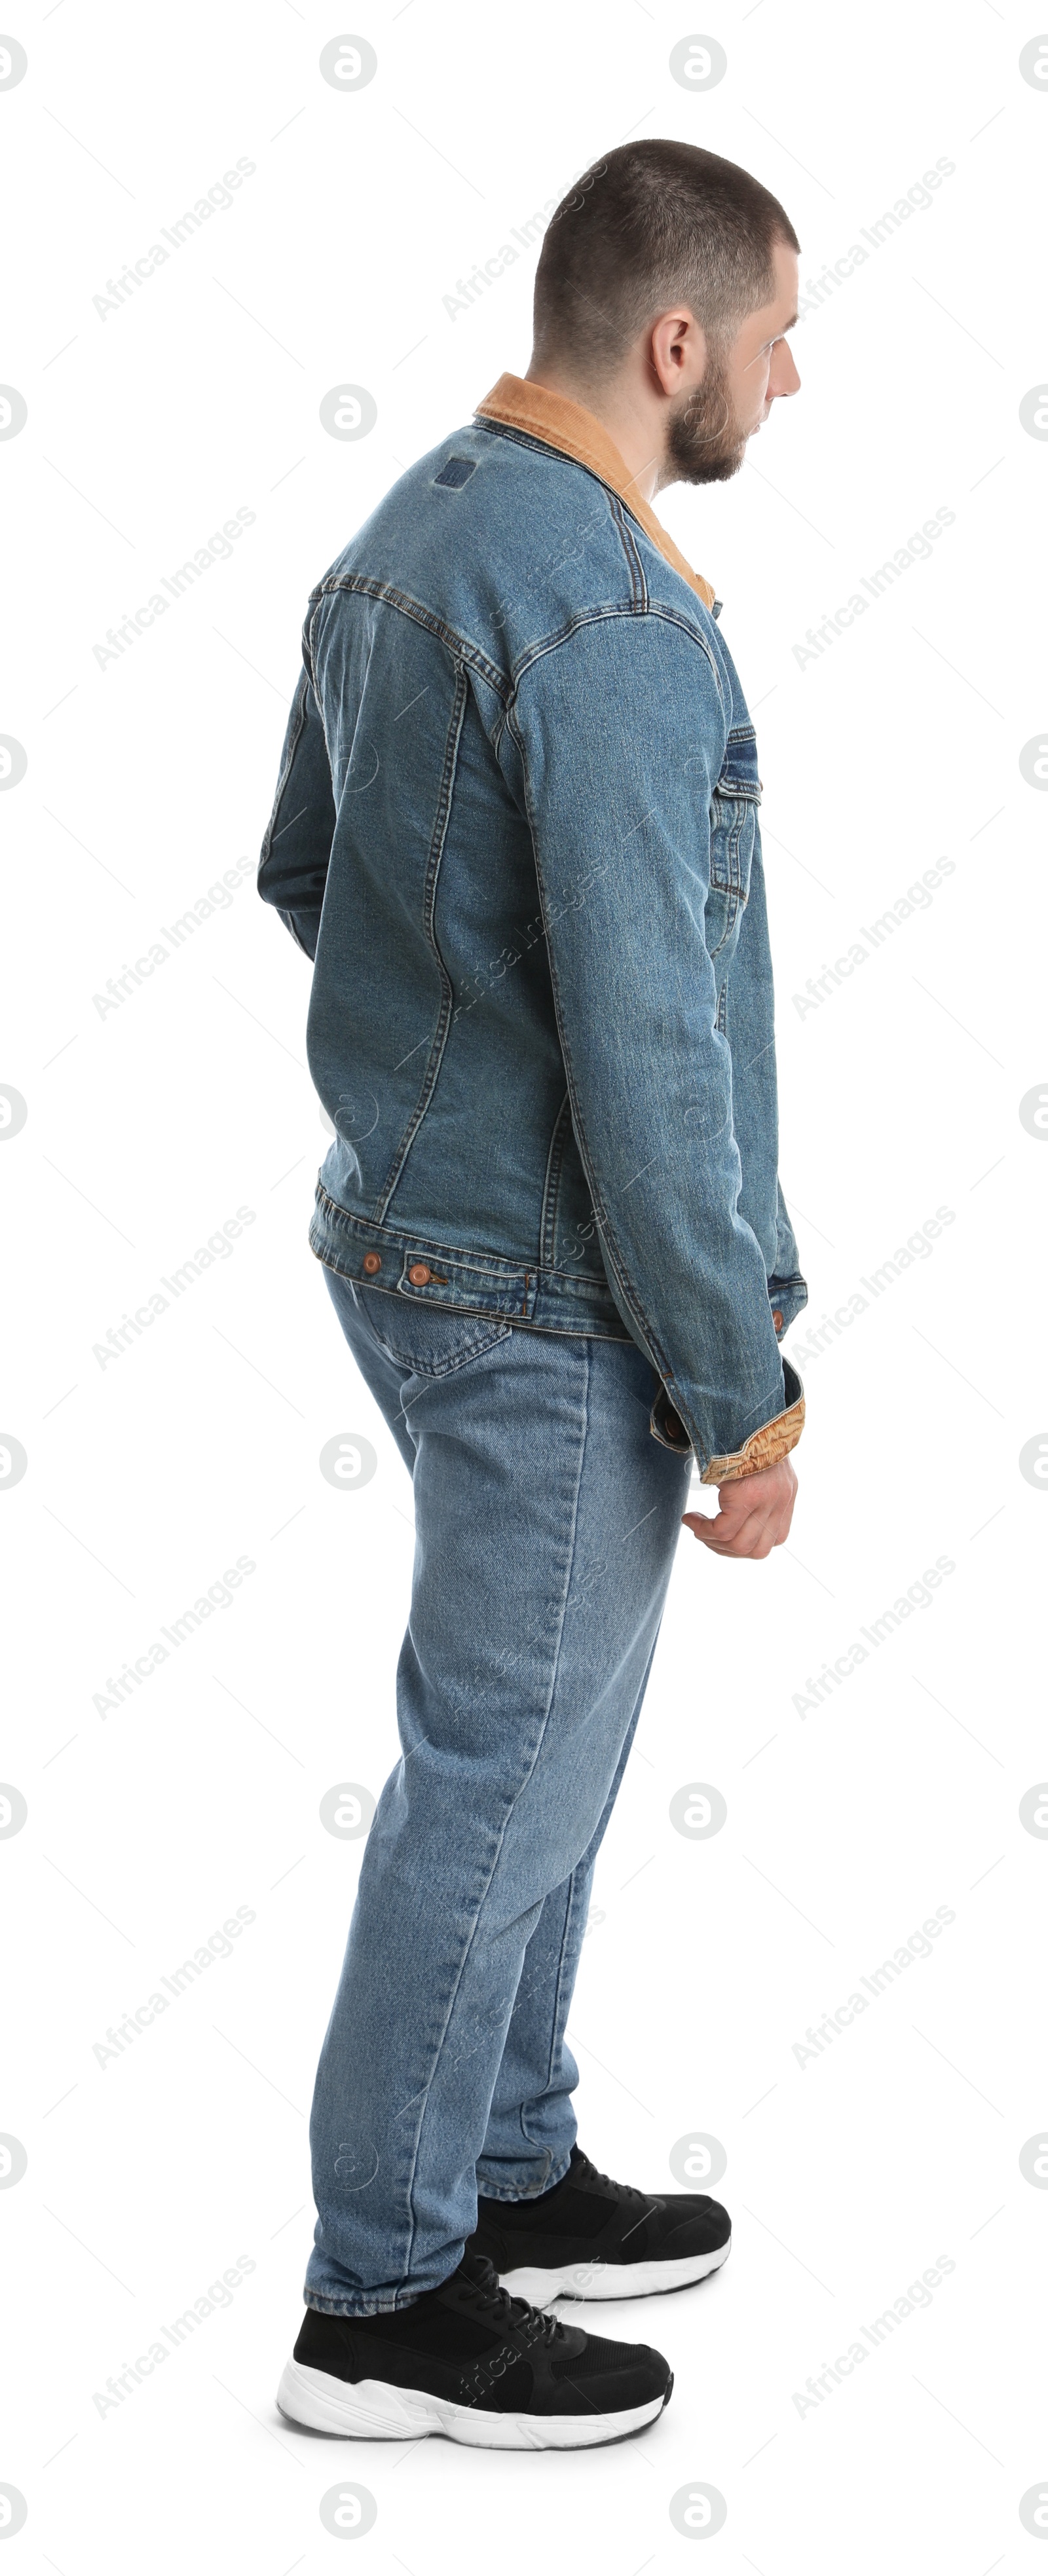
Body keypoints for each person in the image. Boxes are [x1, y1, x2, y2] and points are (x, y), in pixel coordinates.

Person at [259, 138, 808, 2450]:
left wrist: (447, 1093)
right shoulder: (608, 614)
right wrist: (741, 1385)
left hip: (409, 1245)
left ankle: (503, 2163)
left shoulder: (398, 545)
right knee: (492, 1777)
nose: (798, 376)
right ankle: (384, 2294)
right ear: (671, 341)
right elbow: (653, 1057)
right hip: (545, 1294)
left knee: (542, 1748)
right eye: (778, 332)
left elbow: (310, 876)